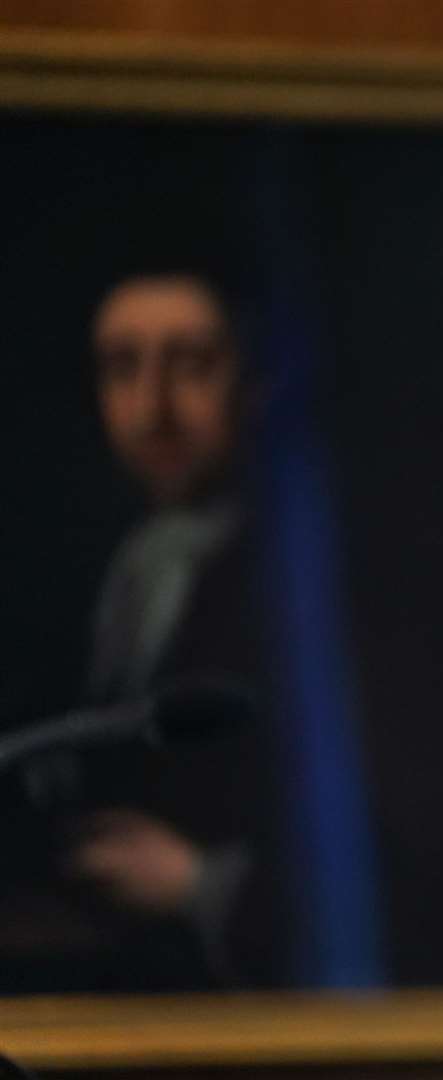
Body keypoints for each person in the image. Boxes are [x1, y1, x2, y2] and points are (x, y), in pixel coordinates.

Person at [0, 273, 279, 992]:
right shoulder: (105, 567)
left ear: (254, 385)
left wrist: (201, 884)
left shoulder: (302, 586)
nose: (151, 408)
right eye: (123, 367)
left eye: (189, 364)